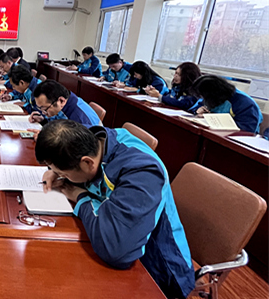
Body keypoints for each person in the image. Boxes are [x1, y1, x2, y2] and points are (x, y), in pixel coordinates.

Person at [36, 120, 195, 298]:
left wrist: (80, 198)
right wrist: (56, 171)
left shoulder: (142, 170)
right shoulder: (94, 141)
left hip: (157, 270)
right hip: (118, 246)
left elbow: (117, 250)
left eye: (64, 174)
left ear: (87, 163)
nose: (62, 178)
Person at [190, 75, 263, 133]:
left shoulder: (245, 104)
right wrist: (198, 111)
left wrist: (214, 119)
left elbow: (247, 130)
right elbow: (195, 107)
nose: (203, 99)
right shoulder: (211, 96)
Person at [30, 80, 100, 127]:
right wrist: (43, 121)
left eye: (45, 109)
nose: (43, 113)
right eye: (40, 108)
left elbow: (82, 147)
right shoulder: (64, 104)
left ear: (61, 101)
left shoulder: (79, 119)